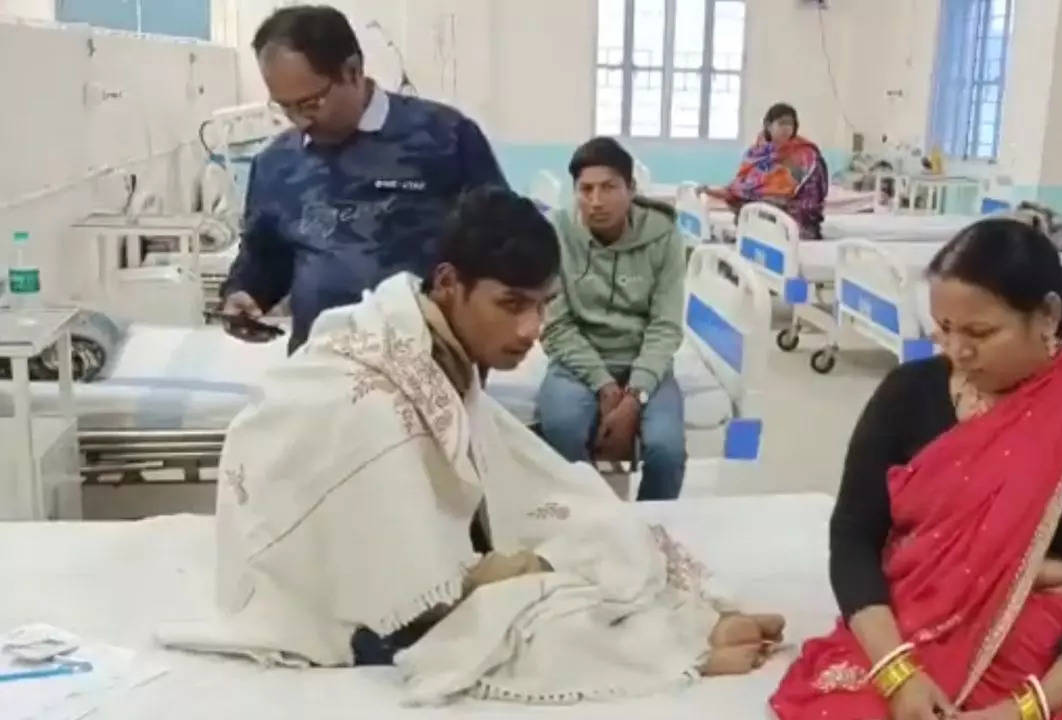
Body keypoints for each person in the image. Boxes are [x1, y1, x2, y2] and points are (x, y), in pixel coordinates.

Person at [158, 187, 783, 703]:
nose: (530, 330)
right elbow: (411, 588)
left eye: (542, 307)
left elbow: (491, 469)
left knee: (590, 522)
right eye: (511, 304)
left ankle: (682, 614)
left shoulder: (435, 353)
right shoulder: (378, 395)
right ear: (449, 283)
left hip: (376, 552)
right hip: (327, 602)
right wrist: (517, 567)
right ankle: (680, 647)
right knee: (541, 607)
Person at [771, 219, 1062, 720]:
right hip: (912, 628)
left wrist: (1025, 709)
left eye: (980, 332)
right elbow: (854, 537)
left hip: (1053, 655)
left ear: (1048, 316)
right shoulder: (908, 393)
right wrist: (898, 674)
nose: (957, 352)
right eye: (944, 329)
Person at [221, 5, 508, 353]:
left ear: (353, 71)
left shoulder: (445, 138)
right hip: (321, 364)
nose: (300, 121)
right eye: (286, 107)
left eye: (311, 103)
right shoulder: (276, 163)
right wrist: (244, 294)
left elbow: (500, 241)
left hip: (429, 365)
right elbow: (265, 256)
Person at [536, 138, 688, 501]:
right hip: (578, 363)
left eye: (609, 187)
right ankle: (583, 524)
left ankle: (650, 534)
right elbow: (556, 325)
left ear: (631, 189)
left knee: (666, 452)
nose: (596, 201)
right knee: (561, 430)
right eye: (585, 189)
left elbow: (665, 326)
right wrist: (604, 386)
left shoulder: (664, 235)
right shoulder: (557, 233)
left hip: (643, 359)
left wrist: (634, 397)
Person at [700, 103, 830, 239]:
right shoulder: (756, 152)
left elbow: (812, 194)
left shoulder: (805, 155)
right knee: (745, 204)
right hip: (761, 208)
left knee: (762, 209)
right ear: (768, 125)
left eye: (790, 124)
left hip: (795, 214)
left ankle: (758, 232)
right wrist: (715, 192)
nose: (786, 128)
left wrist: (775, 199)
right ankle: (752, 232)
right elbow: (742, 186)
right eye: (781, 123)